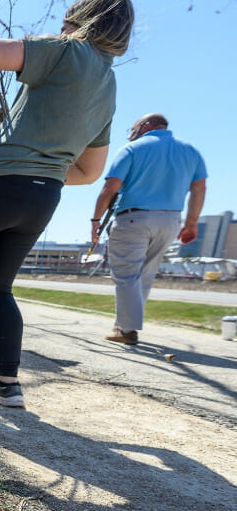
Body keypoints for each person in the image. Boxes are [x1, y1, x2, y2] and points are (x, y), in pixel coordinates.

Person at [0, 0, 135, 408]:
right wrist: (42, 173)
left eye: (67, 18)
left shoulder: (65, 50)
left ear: (80, 19)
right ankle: (7, 383)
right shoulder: (108, 85)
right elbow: (90, 172)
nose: (60, 25)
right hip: (43, 198)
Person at [90, 113, 207, 345]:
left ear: (146, 126)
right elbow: (199, 188)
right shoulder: (190, 150)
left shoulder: (132, 149)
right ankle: (124, 325)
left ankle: (127, 330)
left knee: (126, 275)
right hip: (170, 220)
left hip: (134, 218)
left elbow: (110, 187)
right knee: (145, 274)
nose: (131, 132)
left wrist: (95, 219)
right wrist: (191, 222)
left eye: (133, 127)